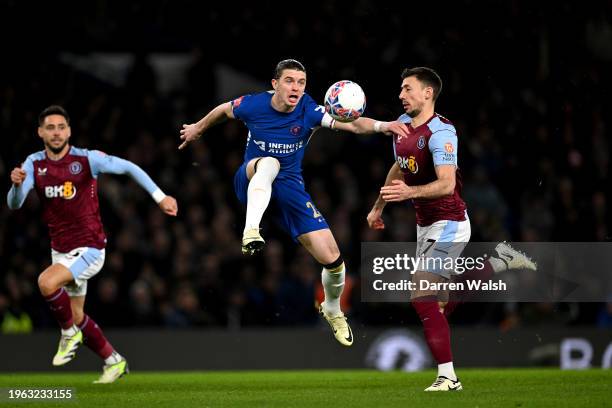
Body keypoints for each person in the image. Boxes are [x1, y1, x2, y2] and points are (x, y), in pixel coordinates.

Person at [178, 59, 408, 346]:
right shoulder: (253, 105)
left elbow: (354, 125)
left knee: (334, 260)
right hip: (252, 177)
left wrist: (383, 125)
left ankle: (333, 310)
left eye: (301, 82)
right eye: (289, 81)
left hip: (290, 188)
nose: (296, 87)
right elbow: (224, 110)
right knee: (270, 163)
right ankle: (252, 229)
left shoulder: (309, 110)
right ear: (275, 84)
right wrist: (198, 128)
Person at [366, 67, 536, 391]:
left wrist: (409, 193)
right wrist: (379, 205)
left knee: (421, 296)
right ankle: (497, 262)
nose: (401, 95)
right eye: (400, 90)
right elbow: (398, 168)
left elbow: (446, 185)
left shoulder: (442, 132)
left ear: (428, 92)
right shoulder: (401, 131)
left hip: (450, 222)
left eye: (407, 89)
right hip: (425, 226)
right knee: (438, 304)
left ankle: (448, 377)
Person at [7, 105, 178, 383]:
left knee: (46, 284)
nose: (56, 132)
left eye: (61, 127)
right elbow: (15, 204)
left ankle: (67, 336)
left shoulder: (87, 160)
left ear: (69, 131)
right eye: (50, 127)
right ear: (40, 132)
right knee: (76, 316)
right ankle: (114, 361)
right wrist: (16, 186)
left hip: (90, 248)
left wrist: (160, 197)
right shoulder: (33, 164)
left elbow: (128, 167)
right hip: (61, 250)